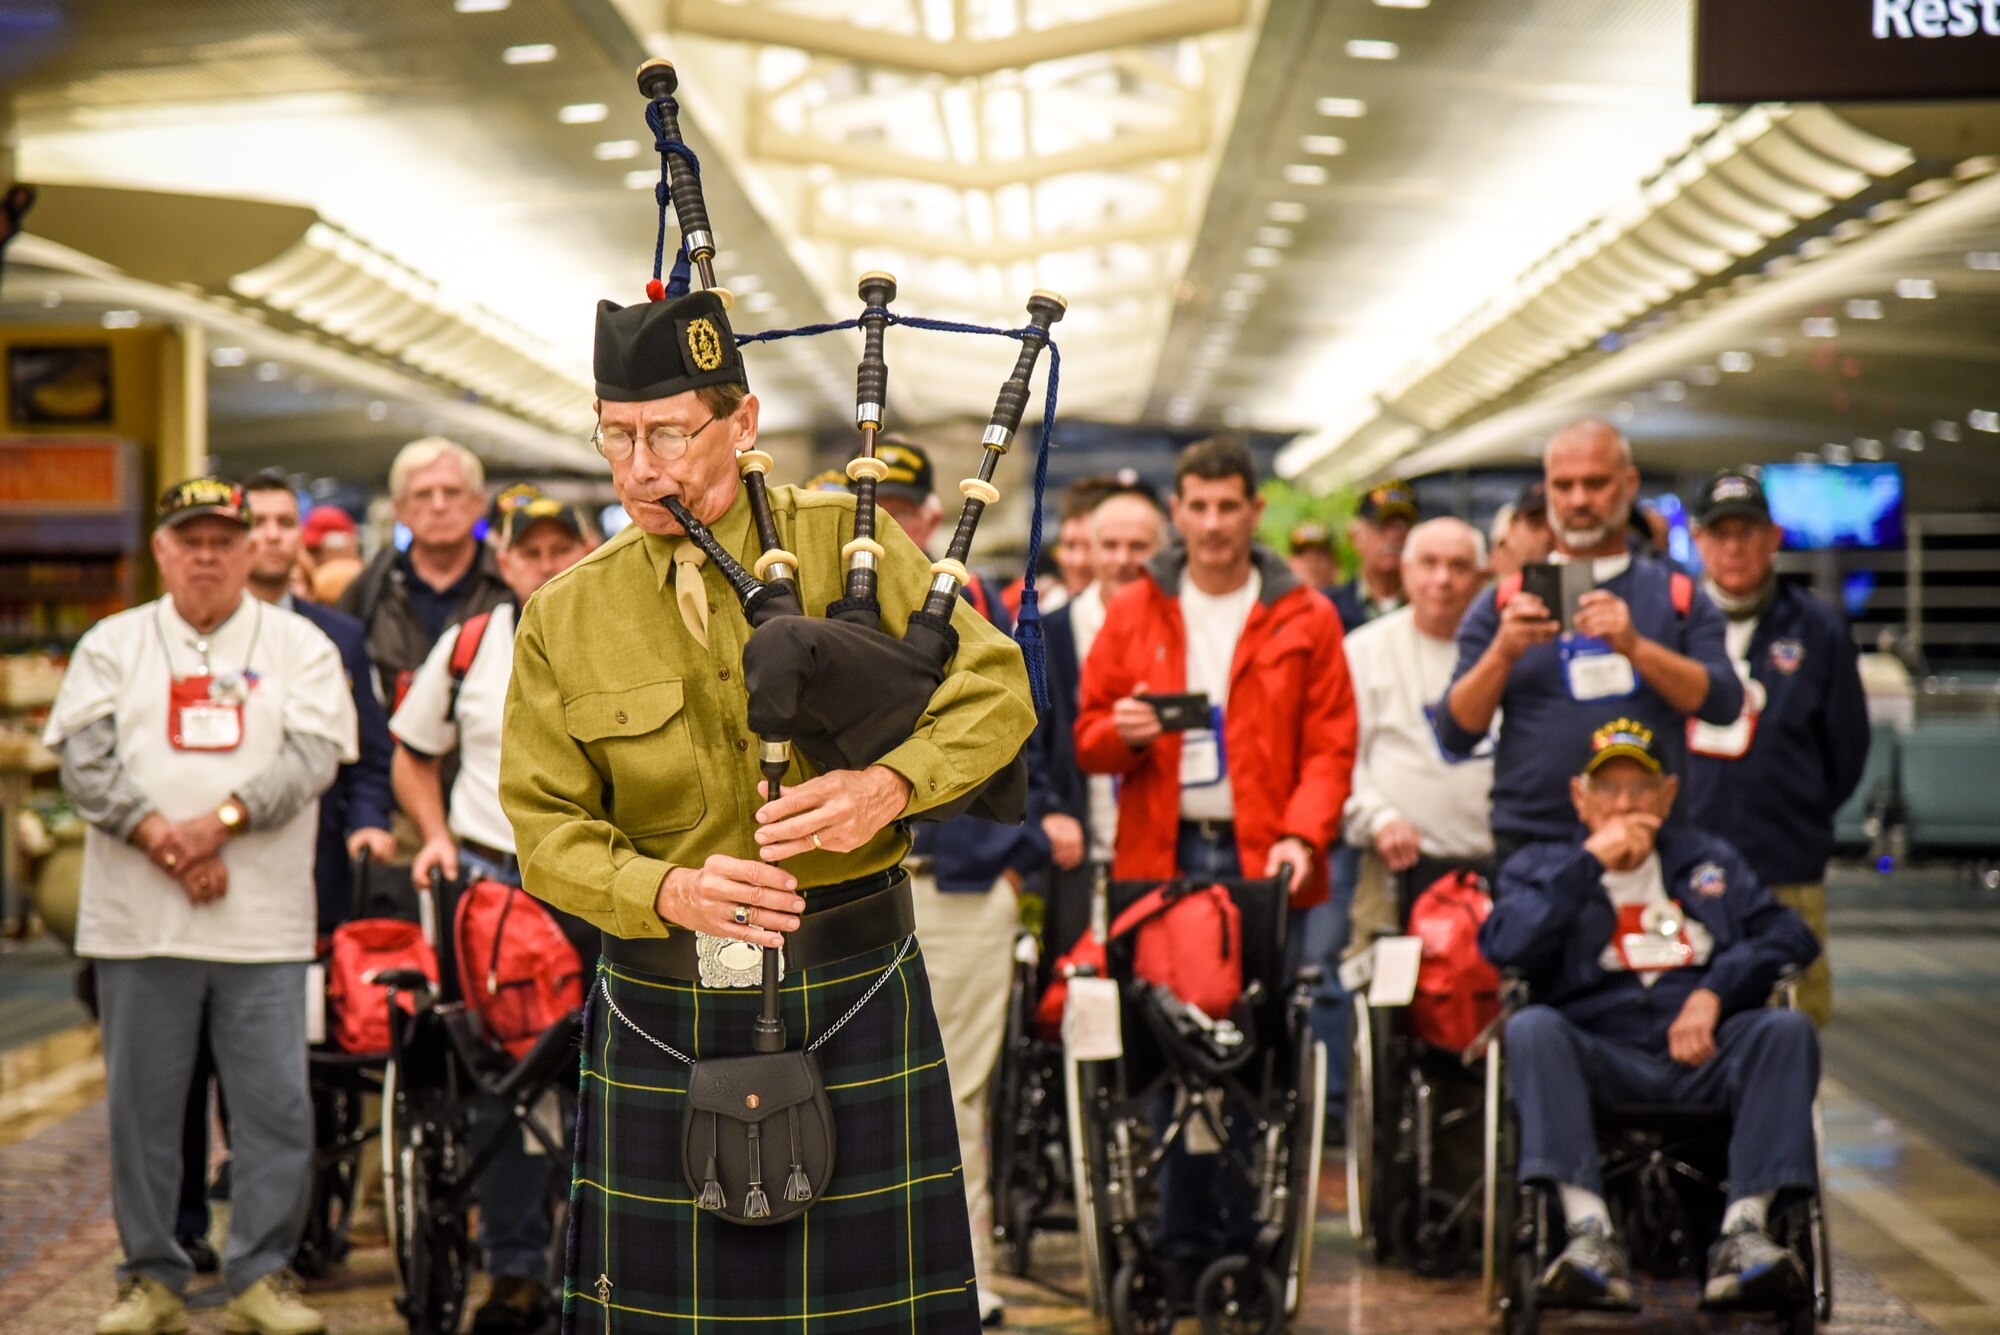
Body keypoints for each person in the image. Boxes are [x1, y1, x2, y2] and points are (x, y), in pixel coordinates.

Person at [499, 289, 1035, 1333]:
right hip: (665, 1000)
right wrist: (666, 887)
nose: (639, 467)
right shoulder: (563, 617)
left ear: (740, 425)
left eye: (667, 433)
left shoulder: (845, 543)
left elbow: (995, 690)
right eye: (614, 436)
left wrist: (887, 785)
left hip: (853, 979)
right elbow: (545, 832)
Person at [44, 479, 358, 1335]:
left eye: (226, 537)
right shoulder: (114, 644)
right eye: (193, 538)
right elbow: (85, 758)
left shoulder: (299, 646)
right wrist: (162, 839)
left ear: (250, 547)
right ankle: (151, 1278)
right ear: (163, 550)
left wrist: (216, 826)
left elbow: (311, 758)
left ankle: (262, 1273)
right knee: (144, 1113)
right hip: (139, 927)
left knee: (275, 1110)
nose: (211, 553)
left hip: (263, 927)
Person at [1075, 433, 1355, 1261]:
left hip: (1262, 861)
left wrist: (1305, 835)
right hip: (1160, 861)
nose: (1211, 522)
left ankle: (1247, 1231)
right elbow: (1087, 736)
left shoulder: (1306, 612)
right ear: (1177, 512)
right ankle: (1179, 1232)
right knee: (1165, 1044)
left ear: (1254, 510)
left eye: (1227, 505)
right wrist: (1120, 736)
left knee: (1251, 1045)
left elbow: (1330, 745)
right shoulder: (1135, 610)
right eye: (1196, 505)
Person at [1480, 718, 1821, 1310]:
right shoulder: (1539, 866)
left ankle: (1744, 1231)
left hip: (1703, 1052)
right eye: (1607, 789)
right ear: (1578, 799)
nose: (1624, 804)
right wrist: (1588, 863)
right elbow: (1506, 945)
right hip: (1596, 1052)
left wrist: (1714, 992)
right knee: (1531, 1028)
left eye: (1639, 789)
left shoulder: (1708, 862)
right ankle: (1590, 1234)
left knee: (1786, 1029)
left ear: (1667, 795)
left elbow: (1790, 935)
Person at [167, 474, 398, 1275]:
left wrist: (370, 819)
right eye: (252, 523)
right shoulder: (182, 637)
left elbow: (367, 752)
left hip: (311, 882)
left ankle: (289, 1231)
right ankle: (182, 1224)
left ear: (295, 538)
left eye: (278, 522)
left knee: (283, 1062)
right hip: (180, 879)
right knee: (184, 1061)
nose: (268, 535)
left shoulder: (335, 636)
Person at [389, 489, 598, 1333]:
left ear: (587, 551)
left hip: (600, 887)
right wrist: (433, 834)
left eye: (561, 547)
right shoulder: (468, 645)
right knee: (499, 1087)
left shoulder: (621, 635)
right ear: (504, 562)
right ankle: (514, 1271)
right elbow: (412, 753)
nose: (546, 563)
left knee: (606, 1078)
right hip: (495, 893)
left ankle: (600, 1263)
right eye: (529, 550)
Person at [860, 437, 1049, 1327]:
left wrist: (1026, 845)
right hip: (854, 890)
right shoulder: (823, 607)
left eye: (903, 510)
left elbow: (1038, 741)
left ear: (934, 519)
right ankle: (862, 1277)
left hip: (965, 887)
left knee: (955, 1089)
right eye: (873, 510)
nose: (888, 526)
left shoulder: (983, 613)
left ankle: (962, 1275)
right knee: (851, 1088)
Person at [1439, 419, 1741, 871]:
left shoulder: (1676, 595)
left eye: (1595, 484)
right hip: (1532, 848)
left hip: (1651, 847)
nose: (1579, 500)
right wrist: (1502, 653)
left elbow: (1723, 703)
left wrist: (1636, 647)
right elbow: (1454, 734)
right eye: (1564, 486)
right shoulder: (1505, 601)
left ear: (1629, 484)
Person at [1683, 470, 1869, 1026]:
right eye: (1721, 534)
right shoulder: (1673, 626)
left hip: (1785, 861)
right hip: (1690, 866)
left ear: (1774, 536)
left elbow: (1847, 748)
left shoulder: (1819, 629)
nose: (1734, 547)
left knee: (1795, 1020)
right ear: (1699, 541)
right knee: (1692, 1019)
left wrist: (1798, 807)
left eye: (1748, 532)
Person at [1342, 517, 1496, 955]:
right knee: (1390, 1004)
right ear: (1405, 571)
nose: (1442, 580)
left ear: (1484, 578)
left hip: (1493, 865)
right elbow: (1341, 759)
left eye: (1459, 566)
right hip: (1398, 869)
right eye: (1428, 563)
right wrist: (1379, 816)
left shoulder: (1507, 648)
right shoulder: (1364, 650)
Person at [1030, 484, 1166, 880]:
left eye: (1138, 547)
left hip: (1161, 849)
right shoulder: (1048, 635)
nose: (1123, 560)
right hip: (1076, 849)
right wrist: (1050, 808)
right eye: (1110, 546)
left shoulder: (1182, 625)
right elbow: (1029, 740)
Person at [338, 436, 509, 711]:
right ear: (399, 510)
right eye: (423, 494)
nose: (439, 506)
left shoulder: (512, 586)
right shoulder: (368, 591)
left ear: (478, 503)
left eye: (452, 492)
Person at [1329, 479, 1419, 632]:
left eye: (1402, 527)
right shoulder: (1330, 607)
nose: (1393, 537)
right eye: (1382, 526)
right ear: (1356, 536)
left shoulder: (1431, 606)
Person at [1488, 480, 1554, 581]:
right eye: (1535, 524)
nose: (1546, 536)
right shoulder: (1492, 595)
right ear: (1512, 529)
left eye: (1553, 525)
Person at [1286, 520, 1341, 594]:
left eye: (1321, 553)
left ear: (1335, 565)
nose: (1312, 562)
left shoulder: (1351, 601)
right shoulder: (1275, 602)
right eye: (1303, 554)